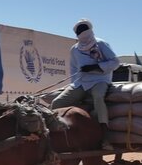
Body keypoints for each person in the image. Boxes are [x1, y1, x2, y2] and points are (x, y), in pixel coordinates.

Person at [50, 18, 119, 150]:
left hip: (100, 80)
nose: (83, 33)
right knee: (57, 103)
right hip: (81, 82)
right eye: (80, 31)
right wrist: (74, 84)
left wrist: (96, 67)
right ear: (77, 34)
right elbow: (73, 69)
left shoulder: (101, 44)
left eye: (85, 29)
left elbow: (115, 62)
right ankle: (56, 136)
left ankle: (105, 137)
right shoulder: (74, 49)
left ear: (90, 30)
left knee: (98, 98)